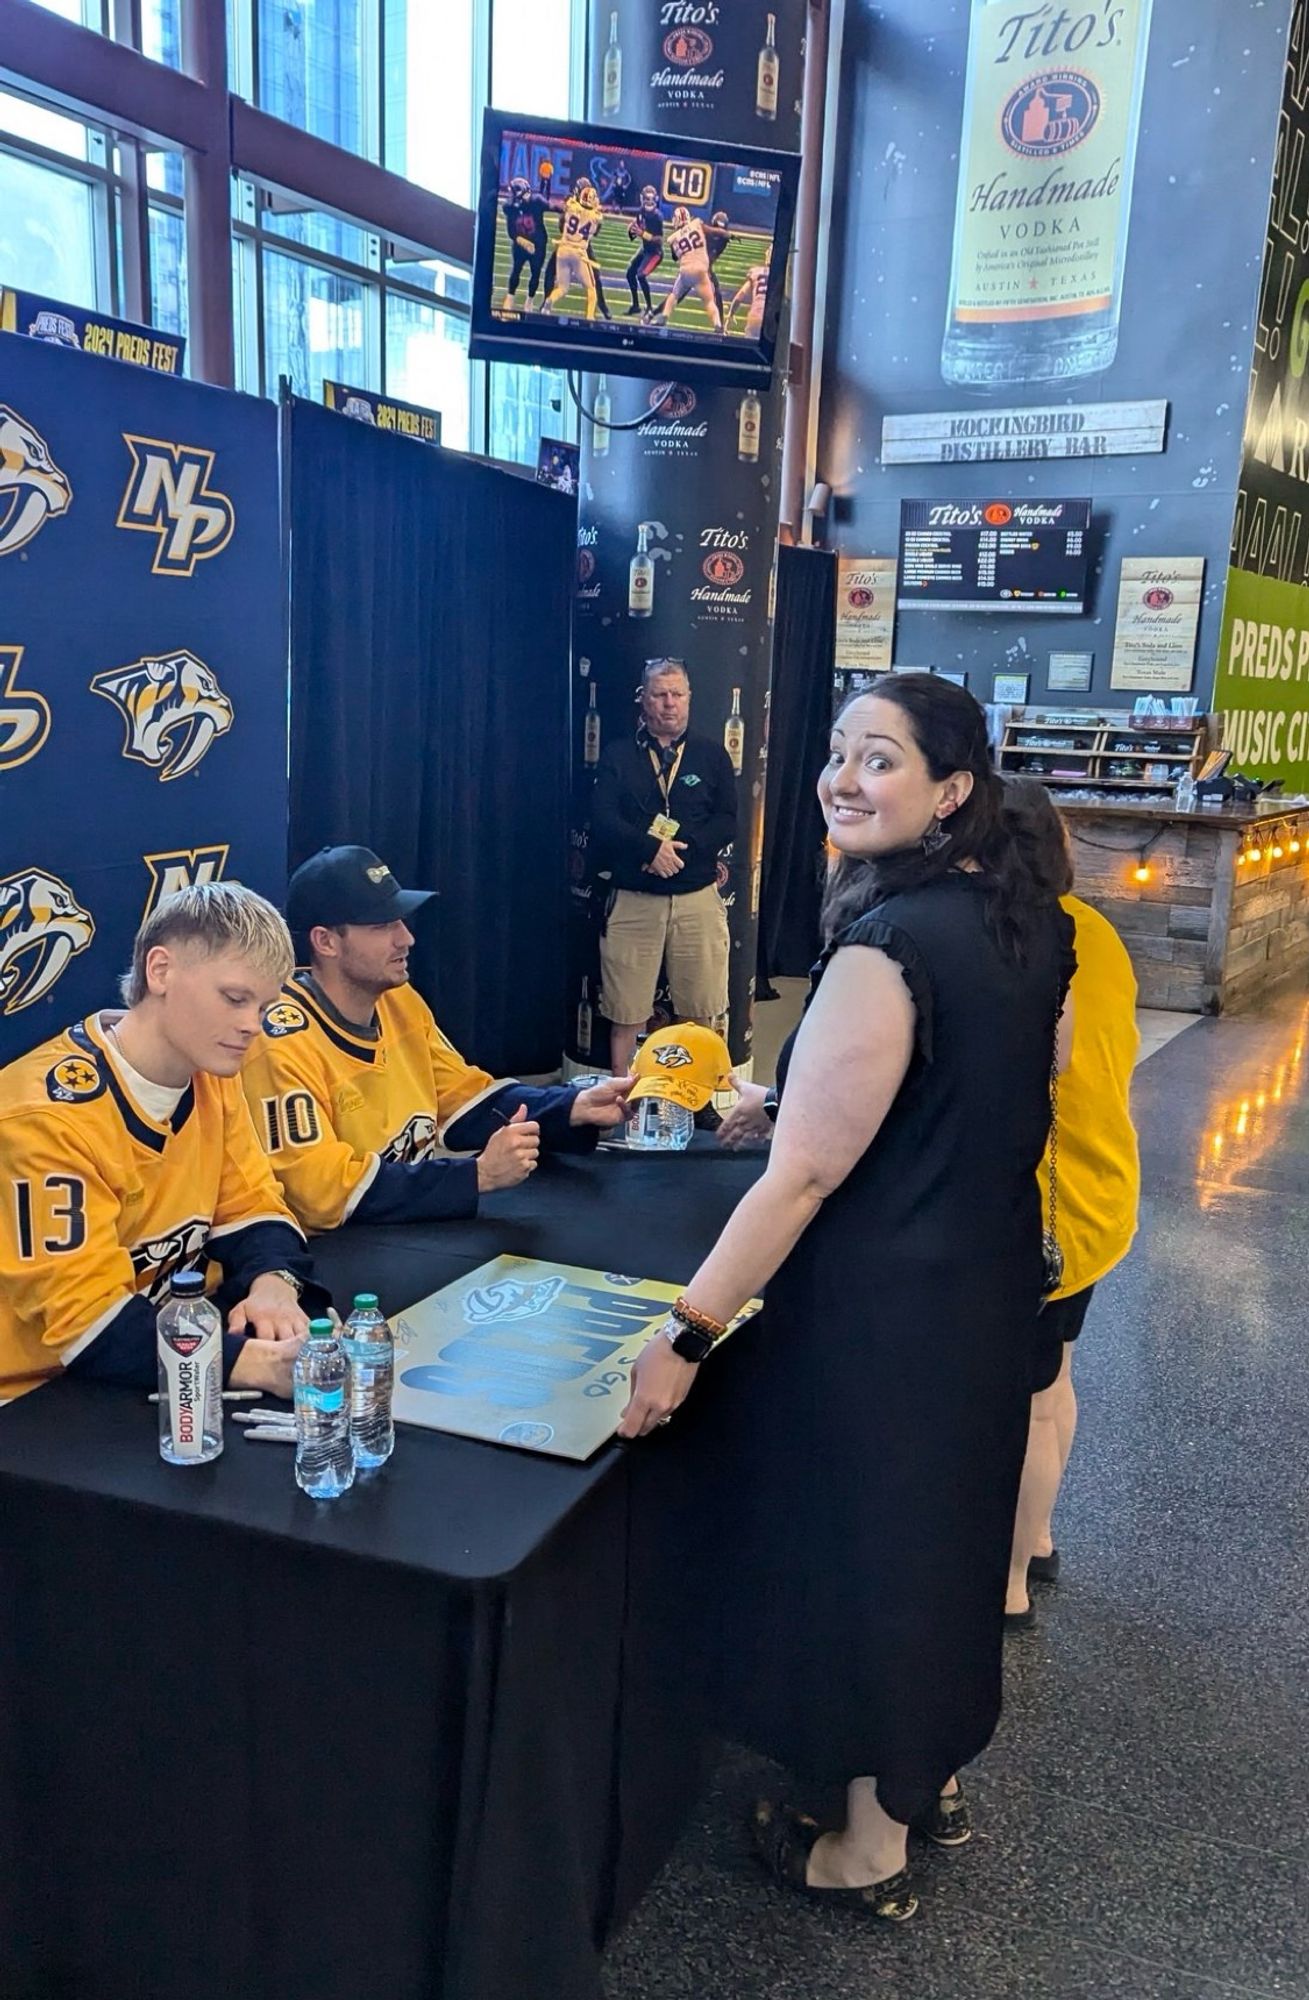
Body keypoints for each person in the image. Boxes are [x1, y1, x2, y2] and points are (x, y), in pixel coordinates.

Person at [618, 674, 1074, 1919]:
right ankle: (918, 1783)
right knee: (942, 1545)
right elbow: (1022, 1082)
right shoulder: (1030, 918)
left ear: (950, 790)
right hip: (985, 1288)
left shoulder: (890, 941)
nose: (842, 777)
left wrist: (685, 1331)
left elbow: (805, 1174)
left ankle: (863, 1848)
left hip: (883, 1315)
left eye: (879, 758)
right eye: (834, 752)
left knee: (874, 1556)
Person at [0, 884, 325, 1404]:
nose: (251, 1027)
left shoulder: (209, 1069)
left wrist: (274, 1285)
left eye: (265, 1006)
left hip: (152, 1349)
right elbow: (86, 1327)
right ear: (160, 971)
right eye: (235, 998)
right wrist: (256, 1362)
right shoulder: (42, 1117)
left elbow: (253, 1205)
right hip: (35, 1396)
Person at [242, 846, 631, 1234]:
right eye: (381, 925)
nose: (406, 938)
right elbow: (319, 1197)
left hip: (402, 1229)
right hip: (328, 1254)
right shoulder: (280, 1042)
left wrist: (573, 1106)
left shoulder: (398, 999)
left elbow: (464, 1101)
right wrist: (475, 1176)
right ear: (326, 942)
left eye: (401, 920)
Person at [1000, 779, 1140, 1627]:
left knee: (1023, 1404)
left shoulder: (1020, 944)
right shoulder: (1096, 931)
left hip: (1040, 1215)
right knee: (1053, 1386)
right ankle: (1039, 1538)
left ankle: (1006, 1582)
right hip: (1096, 1200)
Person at [591, 660, 737, 1080]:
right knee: (626, 1011)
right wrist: (650, 849)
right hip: (635, 901)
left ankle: (700, 1095)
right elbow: (603, 818)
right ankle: (621, 1097)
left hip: (697, 901)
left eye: (677, 694)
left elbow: (727, 820)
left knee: (702, 1009)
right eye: (659, 694)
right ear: (644, 699)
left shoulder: (712, 755)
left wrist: (681, 855)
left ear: (689, 698)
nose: (669, 703)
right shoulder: (619, 754)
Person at [542, 179, 603, 319]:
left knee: (562, 288)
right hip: (579, 253)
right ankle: (589, 317)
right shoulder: (595, 217)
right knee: (591, 289)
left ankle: (549, 301)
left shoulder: (571, 206)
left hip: (563, 249)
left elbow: (567, 210)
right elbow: (596, 224)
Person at [656, 208, 723, 332]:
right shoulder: (697, 223)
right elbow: (711, 232)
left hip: (685, 271)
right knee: (709, 301)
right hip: (701, 270)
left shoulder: (673, 238)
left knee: (674, 295)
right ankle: (718, 325)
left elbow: (675, 257)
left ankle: (664, 316)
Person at [500, 175, 550, 313]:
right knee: (516, 270)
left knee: (535, 273)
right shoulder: (510, 207)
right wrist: (523, 242)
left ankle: (530, 300)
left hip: (538, 244)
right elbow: (511, 231)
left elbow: (553, 207)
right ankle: (510, 297)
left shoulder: (537, 201)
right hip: (520, 245)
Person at [626, 186, 664, 316]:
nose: (648, 202)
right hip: (645, 249)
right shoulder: (641, 211)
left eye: (650, 199)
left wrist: (643, 234)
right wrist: (631, 231)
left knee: (641, 275)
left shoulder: (657, 216)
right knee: (630, 273)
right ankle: (636, 305)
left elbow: (659, 240)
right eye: (646, 199)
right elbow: (635, 231)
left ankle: (649, 307)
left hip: (655, 253)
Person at [726, 262, 770, 341]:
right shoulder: (782, 276)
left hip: (755, 317)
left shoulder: (756, 272)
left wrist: (730, 314)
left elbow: (739, 297)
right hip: (771, 320)